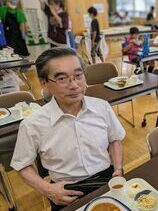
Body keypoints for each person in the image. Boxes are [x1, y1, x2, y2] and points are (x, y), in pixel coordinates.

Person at [10, 47, 125, 210]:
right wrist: (48, 190)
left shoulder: (102, 107)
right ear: (44, 83)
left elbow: (115, 139)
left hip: (108, 179)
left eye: (78, 75)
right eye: (62, 78)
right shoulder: (33, 124)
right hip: (66, 192)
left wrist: (118, 169)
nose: (74, 85)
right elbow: (22, 165)